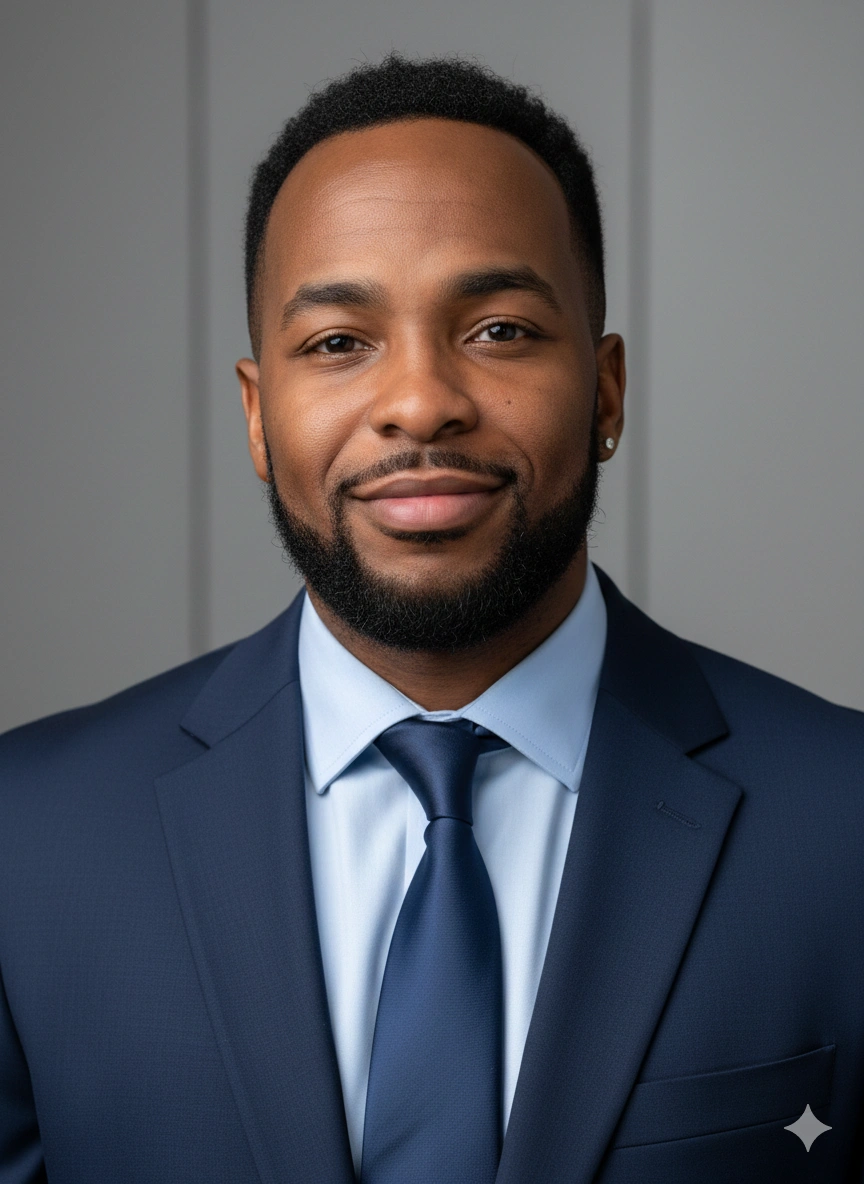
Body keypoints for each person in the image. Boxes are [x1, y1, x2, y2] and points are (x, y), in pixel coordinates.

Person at [0, 53, 862, 1184]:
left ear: (605, 391)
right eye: (338, 343)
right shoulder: (29, 840)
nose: (418, 401)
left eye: (499, 329)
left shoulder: (844, 824)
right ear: (259, 417)